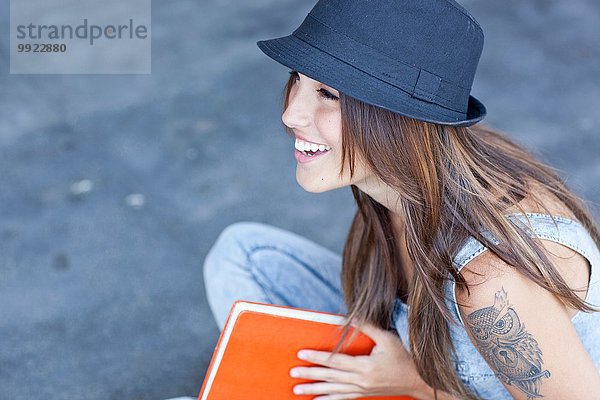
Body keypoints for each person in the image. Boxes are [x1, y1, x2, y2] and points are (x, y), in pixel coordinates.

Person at [203, 0, 600, 399]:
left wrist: (416, 384)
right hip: (416, 352)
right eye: (298, 79)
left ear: (400, 120)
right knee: (242, 254)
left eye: (327, 93)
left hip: (430, 381)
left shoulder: (492, 283)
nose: (292, 114)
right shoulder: (423, 168)